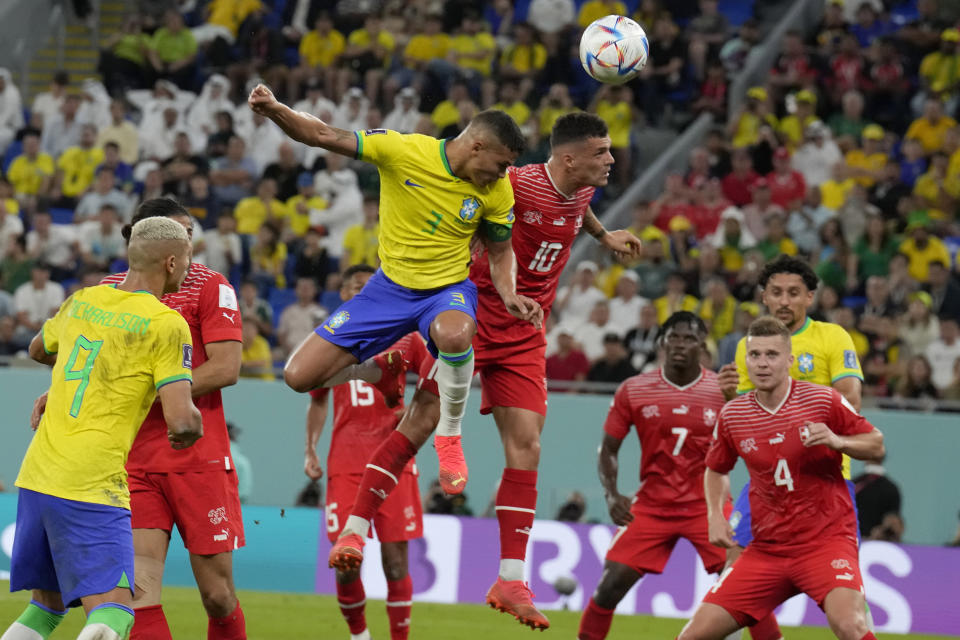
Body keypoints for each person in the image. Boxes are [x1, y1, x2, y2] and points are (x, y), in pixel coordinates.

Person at [323, 113, 641, 630]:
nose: (611, 160)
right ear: (568, 157)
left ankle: (510, 578)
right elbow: (465, 204)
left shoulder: (582, 189)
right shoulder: (512, 182)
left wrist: (604, 237)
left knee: (527, 444)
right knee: (420, 424)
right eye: (601, 152)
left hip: (524, 331)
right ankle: (355, 529)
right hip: (469, 314)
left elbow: (577, 213)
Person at [247, 84, 542, 495]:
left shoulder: (496, 189)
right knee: (298, 377)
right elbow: (324, 135)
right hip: (386, 290)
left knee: (456, 335)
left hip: (446, 290)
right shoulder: (404, 151)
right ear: (476, 146)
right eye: (501, 162)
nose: (504, 172)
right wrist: (276, 109)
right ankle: (378, 372)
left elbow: (500, 250)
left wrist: (508, 293)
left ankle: (450, 436)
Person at [4, 216, 201, 640]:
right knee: (115, 613)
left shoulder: (83, 300)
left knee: (47, 608)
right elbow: (181, 420)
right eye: (187, 259)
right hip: (91, 483)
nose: (189, 268)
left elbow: (39, 348)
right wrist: (192, 427)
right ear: (170, 262)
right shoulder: (167, 323)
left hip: (38, 475)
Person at [678, 316, 885, 640]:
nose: (762, 363)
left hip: (825, 543)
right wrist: (715, 515)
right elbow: (716, 468)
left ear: (789, 360)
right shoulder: (733, 415)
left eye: (771, 355)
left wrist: (837, 441)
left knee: (850, 625)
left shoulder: (822, 400)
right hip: (767, 550)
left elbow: (876, 444)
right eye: (755, 354)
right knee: (691, 636)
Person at [100, 199, 246, 640]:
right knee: (140, 593)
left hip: (197, 458)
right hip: (136, 464)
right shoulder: (109, 292)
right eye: (175, 239)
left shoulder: (209, 286)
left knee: (217, 596)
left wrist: (156, 394)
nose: (184, 252)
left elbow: (225, 368)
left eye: (187, 237)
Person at [717, 254, 864, 640]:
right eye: (777, 292)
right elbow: (748, 416)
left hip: (822, 485)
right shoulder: (750, 345)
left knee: (845, 615)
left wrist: (789, 412)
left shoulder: (832, 337)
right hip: (765, 486)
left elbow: (850, 401)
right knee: (733, 572)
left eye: (794, 293)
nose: (785, 301)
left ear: (810, 298)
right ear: (764, 297)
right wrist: (732, 396)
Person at [578, 312, 727, 640]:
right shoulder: (635, 389)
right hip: (653, 505)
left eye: (689, 338)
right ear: (661, 342)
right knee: (609, 585)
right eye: (673, 336)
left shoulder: (722, 390)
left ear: (703, 345)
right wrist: (612, 494)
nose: (680, 344)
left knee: (745, 584)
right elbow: (608, 450)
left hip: (708, 505)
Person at [305, 265, 432, 640]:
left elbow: (433, 382)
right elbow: (316, 400)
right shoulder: (331, 339)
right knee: (345, 563)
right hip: (345, 463)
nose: (363, 290)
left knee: (396, 564)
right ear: (343, 292)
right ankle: (359, 636)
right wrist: (310, 449)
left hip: (394, 460)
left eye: (369, 285)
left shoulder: (407, 336)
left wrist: (412, 419)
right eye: (355, 286)